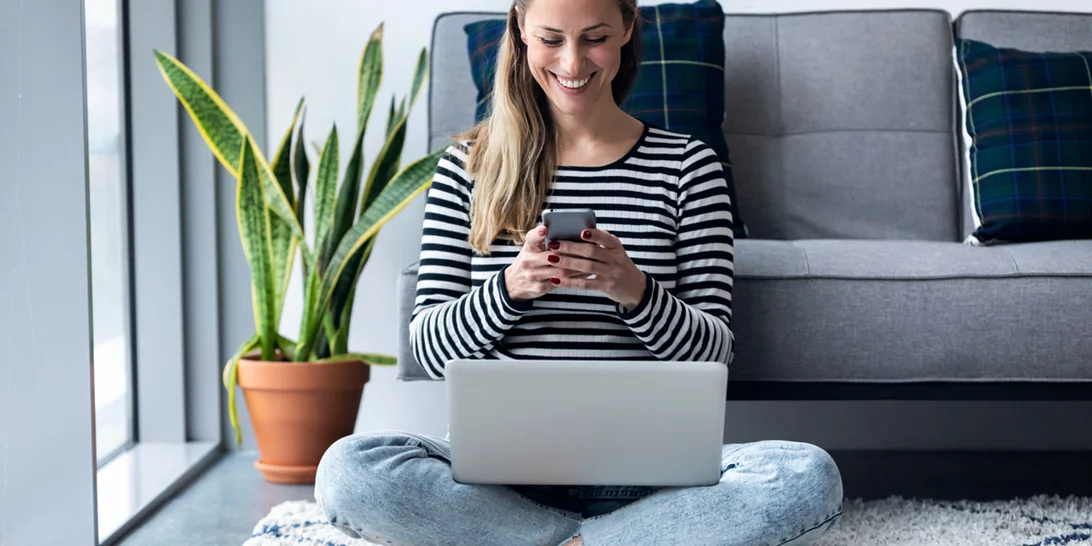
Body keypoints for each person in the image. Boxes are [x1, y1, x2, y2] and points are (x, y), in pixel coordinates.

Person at [314, 0, 843, 544]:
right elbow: (428, 349)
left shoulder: (689, 166)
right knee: (349, 471)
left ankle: (558, 541)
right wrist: (510, 288)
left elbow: (714, 352)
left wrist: (634, 290)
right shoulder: (468, 168)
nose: (572, 63)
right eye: (550, 38)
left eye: (593, 38)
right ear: (520, 29)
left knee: (805, 476)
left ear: (627, 29)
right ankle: (610, 540)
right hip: (500, 483)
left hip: (655, 484)